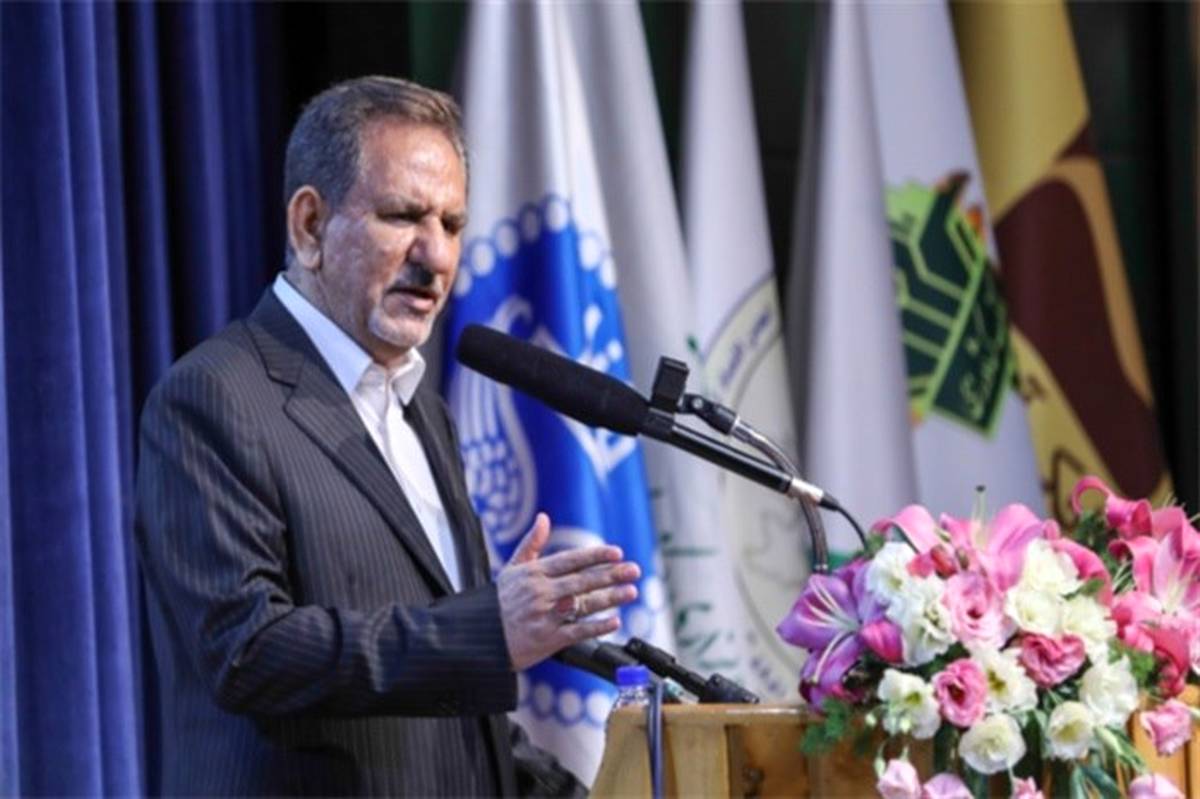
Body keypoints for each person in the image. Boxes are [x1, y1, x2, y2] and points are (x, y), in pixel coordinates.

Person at [134, 75, 641, 796]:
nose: (436, 257)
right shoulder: (214, 397)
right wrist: (486, 629)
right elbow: (247, 651)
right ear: (310, 226)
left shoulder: (422, 410)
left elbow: (459, 721)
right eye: (404, 216)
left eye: (453, 225)